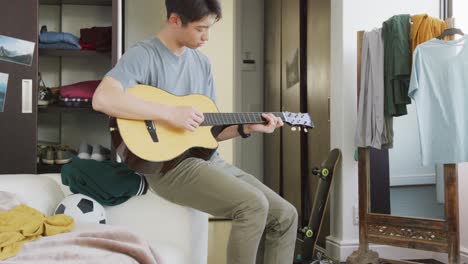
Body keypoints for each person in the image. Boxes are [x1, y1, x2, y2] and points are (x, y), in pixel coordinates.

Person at [92, 0, 298, 263]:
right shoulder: (143, 54)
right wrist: (168, 112)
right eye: (201, 29)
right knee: (253, 205)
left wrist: (246, 128)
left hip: (207, 161)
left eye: (210, 28)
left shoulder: (202, 64)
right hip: (168, 167)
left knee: (286, 215)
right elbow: (102, 100)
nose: (206, 37)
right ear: (175, 20)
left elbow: (207, 134)